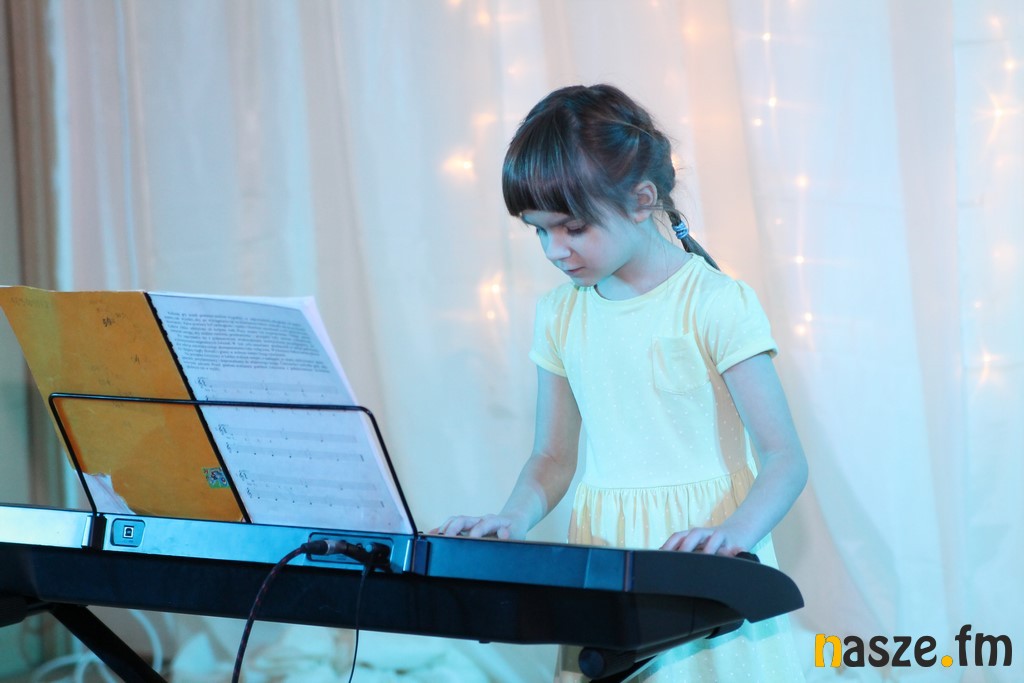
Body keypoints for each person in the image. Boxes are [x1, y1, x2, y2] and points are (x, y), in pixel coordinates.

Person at [436, 84, 808, 681]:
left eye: (573, 227)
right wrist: (513, 519)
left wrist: (733, 538)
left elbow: (785, 457)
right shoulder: (560, 315)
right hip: (606, 552)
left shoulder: (715, 303)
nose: (554, 249)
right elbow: (552, 457)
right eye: (539, 231)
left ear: (642, 200)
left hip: (704, 555)